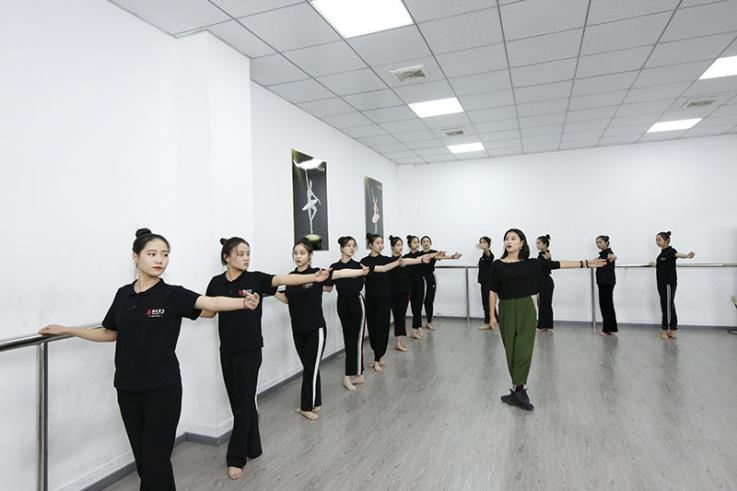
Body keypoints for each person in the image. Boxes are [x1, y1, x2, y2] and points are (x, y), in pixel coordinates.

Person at [39, 228, 262, 490]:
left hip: (162, 389)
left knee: (155, 461)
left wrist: (243, 303)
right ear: (136, 257)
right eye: (152, 254)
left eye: (165, 254)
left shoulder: (173, 295)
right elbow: (109, 332)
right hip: (127, 387)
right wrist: (68, 330)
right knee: (146, 463)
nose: (160, 259)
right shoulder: (123, 295)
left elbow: (210, 303)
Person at [201, 236, 331, 479]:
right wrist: (180, 311)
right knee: (240, 402)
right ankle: (254, 446)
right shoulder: (216, 283)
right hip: (226, 350)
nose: (246, 258)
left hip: (250, 350)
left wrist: (313, 277)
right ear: (227, 257)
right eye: (241, 254)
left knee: (243, 404)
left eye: (248, 253)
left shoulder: (255, 279)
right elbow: (209, 311)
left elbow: (283, 279)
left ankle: (236, 457)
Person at [489, 228, 605, 411]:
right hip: (506, 308)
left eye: (513, 238)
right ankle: (517, 390)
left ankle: (520, 389)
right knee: (510, 349)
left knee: (524, 348)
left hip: (526, 308)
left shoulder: (532, 264)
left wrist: (586, 263)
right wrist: (491, 315)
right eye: (506, 239)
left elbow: (558, 264)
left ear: (521, 243)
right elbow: (492, 290)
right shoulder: (497, 265)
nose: (508, 241)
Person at [275, 240, 367, 420]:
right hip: (298, 329)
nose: (298, 256)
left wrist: (360, 272)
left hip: (315, 329)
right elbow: (287, 299)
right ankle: (316, 402)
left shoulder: (318, 274)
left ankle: (306, 406)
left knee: (310, 369)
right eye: (296, 253)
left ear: (309, 256)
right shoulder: (291, 277)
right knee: (310, 367)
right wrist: (272, 292)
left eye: (302, 253)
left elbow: (340, 273)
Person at [323, 236, 370, 391]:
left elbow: (358, 285)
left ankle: (349, 375)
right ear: (341, 248)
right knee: (348, 339)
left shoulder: (359, 266)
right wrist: (312, 284)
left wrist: (360, 272)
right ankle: (358, 374)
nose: (352, 248)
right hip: (342, 304)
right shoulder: (334, 266)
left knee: (356, 340)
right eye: (349, 245)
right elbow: (328, 288)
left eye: (354, 245)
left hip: (357, 303)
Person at [387, 236, 431, 352]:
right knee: (398, 316)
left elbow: (416, 259)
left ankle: (400, 340)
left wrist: (423, 260)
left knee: (401, 316)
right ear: (392, 247)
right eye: (398, 245)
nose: (400, 247)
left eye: (401, 245)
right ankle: (398, 341)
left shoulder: (405, 260)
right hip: (394, 293)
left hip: (405, 293)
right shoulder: (389, 261)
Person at [649, 231, 695, 339]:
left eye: (659, 240)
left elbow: (677, 254)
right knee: (666, 305)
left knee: (668, 306)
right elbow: (663, 266)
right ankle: (671, 330)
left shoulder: (670, 251)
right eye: (656, 240)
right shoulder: (662, 253)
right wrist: (655, 265)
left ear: (667, 241)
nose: (657, 242)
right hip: (661, 283)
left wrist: (687, 256)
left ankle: (667, 330)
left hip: (668, 284)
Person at [419, 235, 461, 330]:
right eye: (424, 241)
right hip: (420, 279)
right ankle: (418, 324)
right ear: (421, 244)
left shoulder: (434, 252)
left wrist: (453, 257)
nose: (426, 243)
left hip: (430, 278)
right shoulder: (419, 254)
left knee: (429, 300)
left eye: (427, 241)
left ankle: (429, 322)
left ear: (430, 243)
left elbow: (442, 256)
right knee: (419, 301)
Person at [595, 235, 618, 336]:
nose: (598, 244)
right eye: (597, 243)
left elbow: (612, 257)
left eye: (600, 242)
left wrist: (614, 257)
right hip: (604, 282)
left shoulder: (609, 254)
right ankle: (612, 328)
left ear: (606, 243)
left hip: (606, 283)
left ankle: (606, 329)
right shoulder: (603, 254)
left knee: (605, 306)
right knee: (608, 305)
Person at [535, 234, 554, 332]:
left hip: (546, 281)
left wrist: (549, 259)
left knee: (545, 303)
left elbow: (547, 267)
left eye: (539, 243)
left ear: (545, 244)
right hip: (541, 281)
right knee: (542, 303)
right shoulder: (540, 255)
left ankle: (545, 325)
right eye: (537, 243)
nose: (537, 245)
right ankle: (544, 325)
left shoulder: (546, 255)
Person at [477, 236, 496, 330]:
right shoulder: (483, 257)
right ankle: (495, 320)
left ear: (488, 244)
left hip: (488, 282)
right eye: (481, 242)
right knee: (488, 302)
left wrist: (485, 248)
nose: (482, 244)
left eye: (484, 242)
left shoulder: (489, 255)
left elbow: (488, 253)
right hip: (484, 282)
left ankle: (487, 322)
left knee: (487, 303)